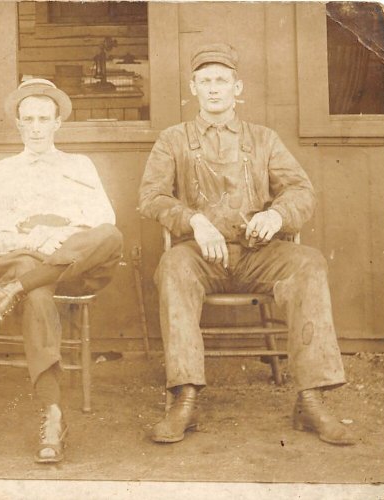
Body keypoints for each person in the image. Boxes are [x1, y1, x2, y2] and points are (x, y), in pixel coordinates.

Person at [138, 43, 356, 445]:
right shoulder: (173, 140)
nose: (214, 88)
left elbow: (301, 191)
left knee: (308, 263)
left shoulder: (264, 139)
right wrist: (194, 220)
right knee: (172, 267)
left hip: (259, 255)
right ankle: (183, 400)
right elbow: (151, 197)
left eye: (222, 80)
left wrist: (276, 216)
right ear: (193, 88)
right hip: (200, 255)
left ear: (238, 88)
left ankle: (311, 400)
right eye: (205, 81)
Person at [0, 79, 123, 463]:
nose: (36, 127)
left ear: (58, 123)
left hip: (71, 257)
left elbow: (102, 219)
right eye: (28, 120)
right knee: (38, 291)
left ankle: (11, 291)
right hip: (22, 254)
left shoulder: (79, 166)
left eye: (44, 118)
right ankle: (52, 413)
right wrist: (28, 243)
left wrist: (59, 235)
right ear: (18, 125)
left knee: (110, 235)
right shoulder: (1, 171)